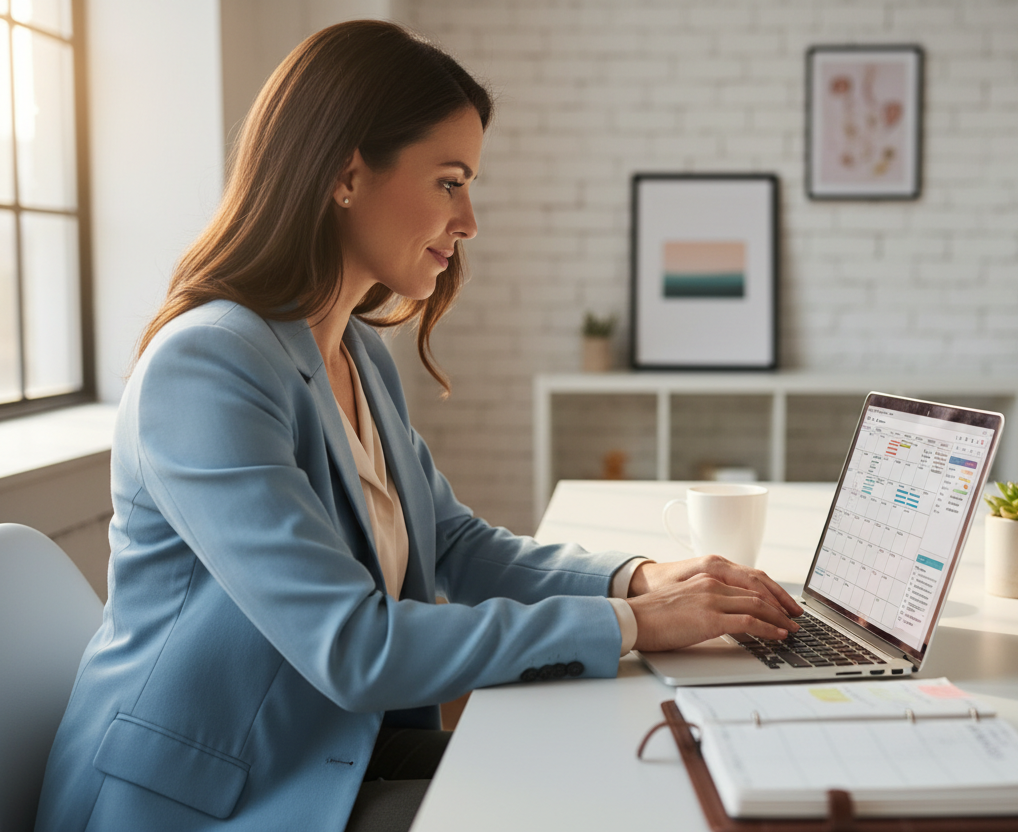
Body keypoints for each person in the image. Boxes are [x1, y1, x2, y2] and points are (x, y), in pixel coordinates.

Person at [34, 20, 801, 832]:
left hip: (323, 752)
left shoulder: (358, 354)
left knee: (625, 775)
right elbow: (352, 645)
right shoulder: (208, 368)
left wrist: (635, 580)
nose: (469, 219)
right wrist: (635, 626)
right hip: (205, 801)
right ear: (345, 173)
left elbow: (457, 546)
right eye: (449, 181)